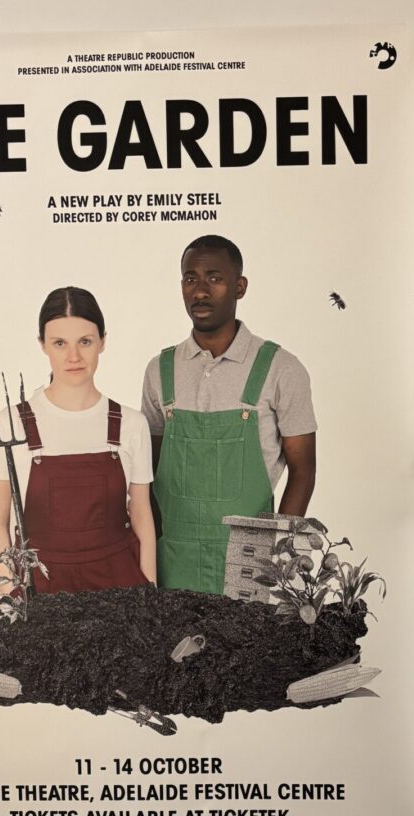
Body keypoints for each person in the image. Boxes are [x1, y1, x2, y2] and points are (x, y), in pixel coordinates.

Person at [141, 234, 317, 594]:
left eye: (214, 278)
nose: (200, 291)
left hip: (252, 564)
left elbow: (304, 469)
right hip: (174, 560)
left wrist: (278, 557)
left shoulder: (281, 369)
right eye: (191, 279)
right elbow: (149, 471)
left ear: (240, 287)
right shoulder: (161, 369)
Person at [0, 287, 156, 593]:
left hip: (119, 588)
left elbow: (142, 514)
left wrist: (150, 592)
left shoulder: (131, 425)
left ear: (103, 341)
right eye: (60, 343)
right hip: (41, 589)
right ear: (42, 345)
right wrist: (11, 595)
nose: (74, 357)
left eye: (85, 342)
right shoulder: (11, 422)